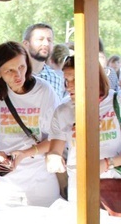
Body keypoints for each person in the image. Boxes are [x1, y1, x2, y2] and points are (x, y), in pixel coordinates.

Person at [0, 41, 61, 207]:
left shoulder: (44, 90)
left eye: (21, 67)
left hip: (40, 177)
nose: (18, 75)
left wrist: (25, 154)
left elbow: (57, 139)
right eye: (10, 70)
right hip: (6, 181)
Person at [46, 56, 121, 202]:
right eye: (67, 80)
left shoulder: (116, 102)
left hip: (115, 186)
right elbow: (55, 150)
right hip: (79, 189)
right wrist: (53, 158)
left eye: (75, 79)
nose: (69, 86)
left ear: (93, 77)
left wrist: (106, 163)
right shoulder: (63, 111)